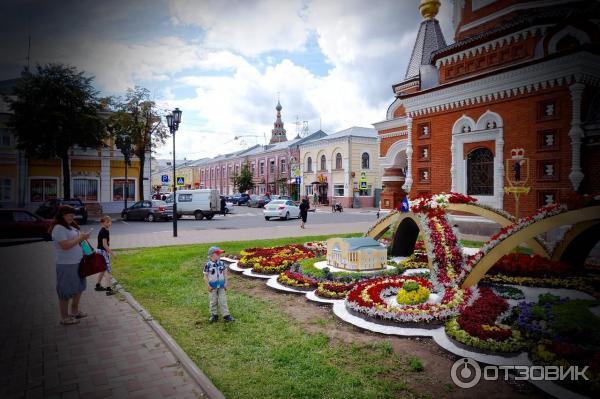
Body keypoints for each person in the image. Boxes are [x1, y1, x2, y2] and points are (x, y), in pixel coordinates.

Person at [51, 206, 91, 325]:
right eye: (69, 214)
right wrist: (80, 238)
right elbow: (65, 246)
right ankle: (64, 317)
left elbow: (78, 241)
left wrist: (84, 238)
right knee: (66, 291)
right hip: (66, 264)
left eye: (73, 214)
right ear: (62, 215)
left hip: (78, 262)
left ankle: (75, 311)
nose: (72, 216)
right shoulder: (58, 228)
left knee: (79, 288)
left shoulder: (71, 226)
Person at [203, 246, 235, 323]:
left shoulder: (222, 263)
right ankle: (214, 315)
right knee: (213, 300)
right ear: (211, 255)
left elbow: (225, 273)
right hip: (212, 286)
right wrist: (208, 285)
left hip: (221, 286)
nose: (220, 255)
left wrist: (226, 283)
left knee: (223, 300)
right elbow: (205, 276)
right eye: (218, 254)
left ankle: (226, 315)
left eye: (220, 254)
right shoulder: (208, 265)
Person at [95, 215, 116, 295]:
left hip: (99, 251)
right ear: (102, 223)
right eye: (107, 222)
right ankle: (109, 289)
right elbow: (104, 245)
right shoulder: (105, 231)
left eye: (110, 221)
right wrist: (112, 252)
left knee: (103, 269)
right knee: (108, 270)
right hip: (103, 252)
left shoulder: (103, 230)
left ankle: (97, 285)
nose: (109, 223)